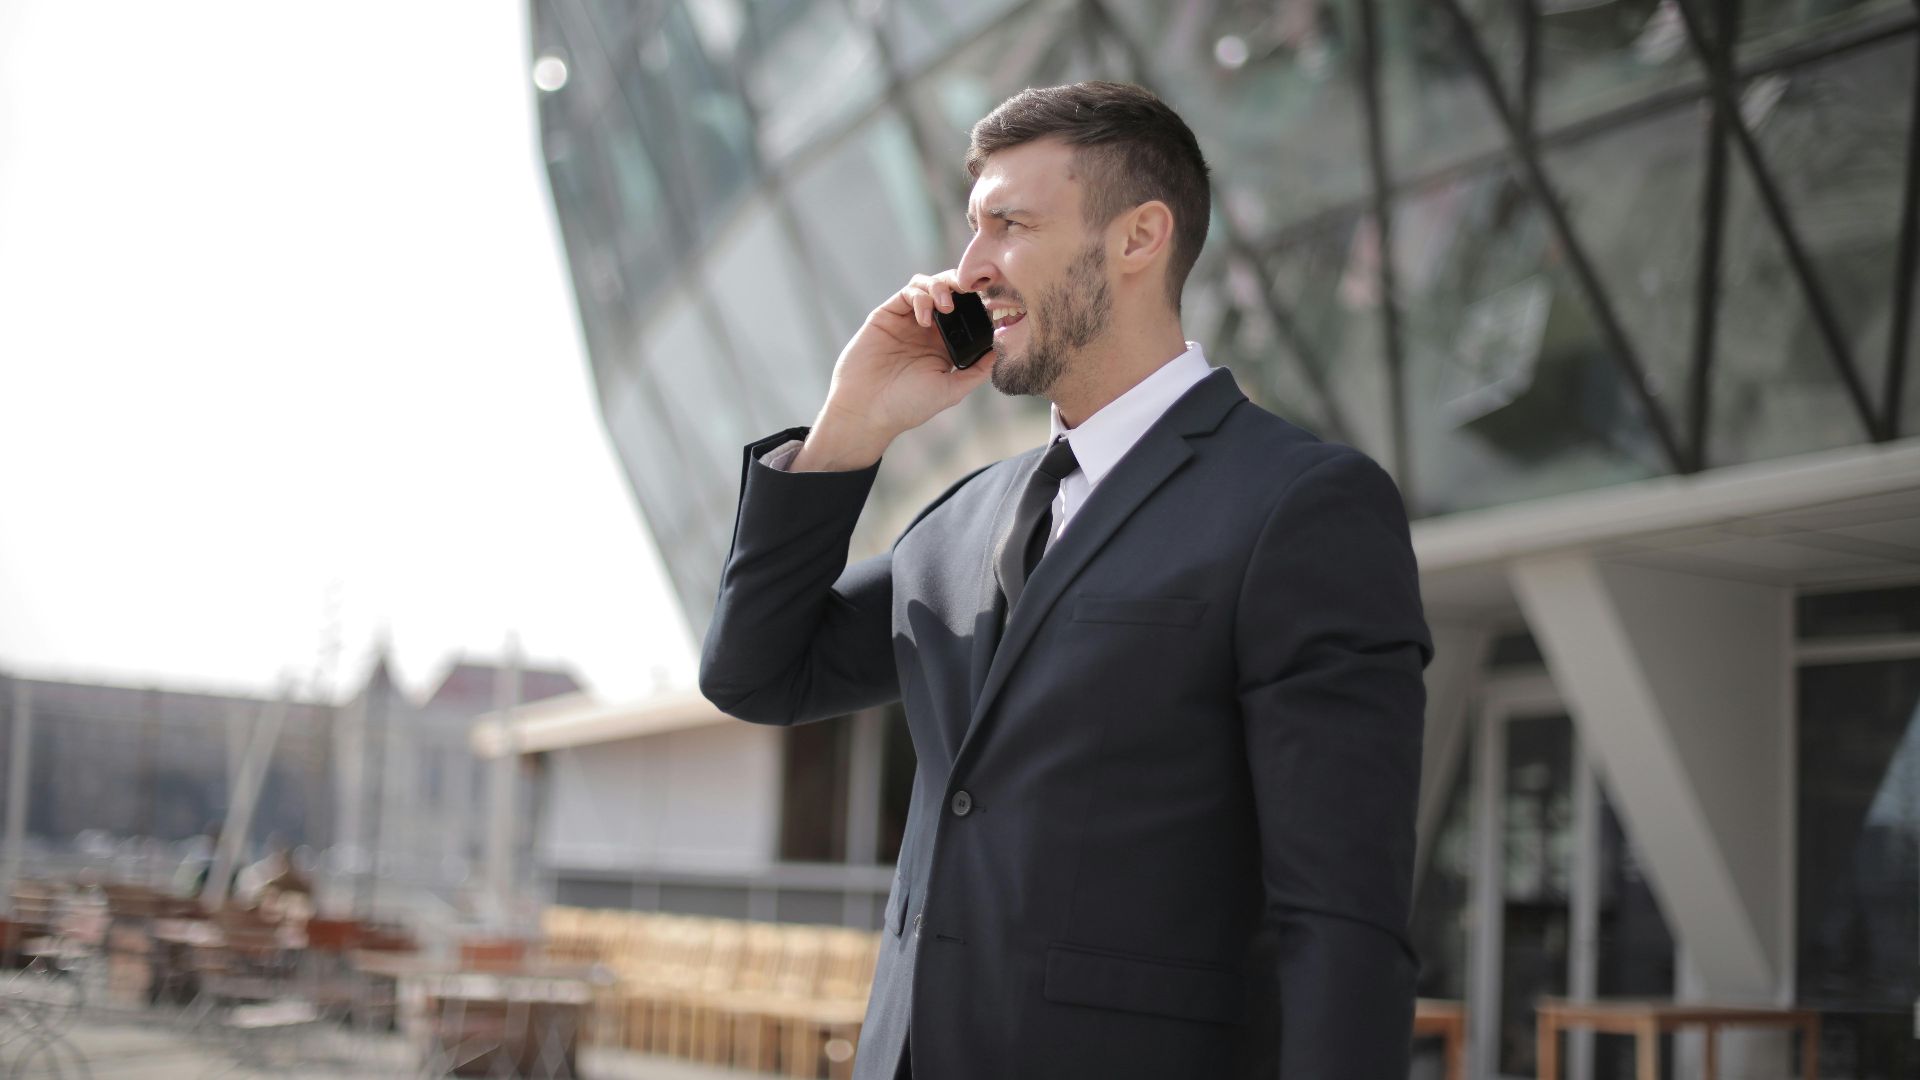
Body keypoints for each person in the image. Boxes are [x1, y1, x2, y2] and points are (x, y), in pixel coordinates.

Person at [700, 81, 1431, 1080]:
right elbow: (755, 673)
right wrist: (850, 427)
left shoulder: (1301, 506)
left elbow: (1341, 921)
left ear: (1139, 238)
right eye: (972, 228)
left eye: (1010, 226)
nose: (968, 268)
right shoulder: (958, 523)